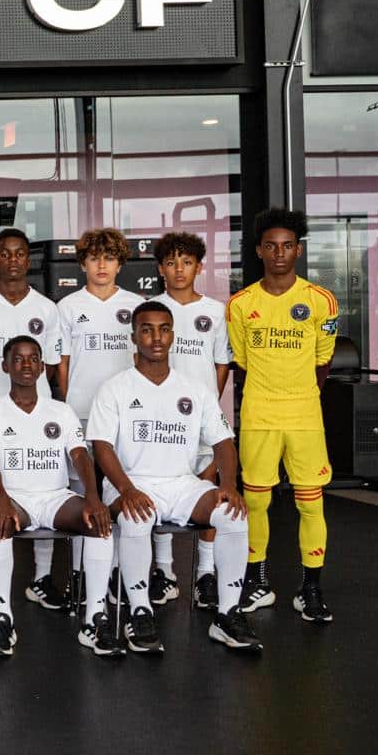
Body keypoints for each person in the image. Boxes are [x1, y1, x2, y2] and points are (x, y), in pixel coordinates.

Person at [87, 302, 261, 653]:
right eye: (147, 329)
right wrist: (126, 489)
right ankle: (140, 611)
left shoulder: (195, 389)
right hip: (132, 481)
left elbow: (224, 443)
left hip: (181, 483)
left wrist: (227, 485)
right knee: (136, 519)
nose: (156, 337)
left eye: (164, 329)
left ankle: (227, 612)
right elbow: (101, 446)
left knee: (232, 514)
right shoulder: (115, 388)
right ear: (133, 336)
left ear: (172, 335)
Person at [228, 208, 339, 623]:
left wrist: (299, 396)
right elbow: (241, 362)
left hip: (305, 415)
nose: (279, 253)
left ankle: (311, 588)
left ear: (298, 250)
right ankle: (257, 583)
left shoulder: (321, 301)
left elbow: (323, 362)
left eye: (287, 246)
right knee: (255, 503)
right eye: (271, 246)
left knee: (311, 505)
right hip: (258, 413)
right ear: (259, 251)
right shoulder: (241, 305)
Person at [0, 336, 117, 657]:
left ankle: (95, 618)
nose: (26, 365)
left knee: (98, 523)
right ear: (5, 366)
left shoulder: (61, 411)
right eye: (18, 359)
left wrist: (93, 496)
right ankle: (2, 616)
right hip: (12, 498)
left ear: (42, 366)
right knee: (0, 525)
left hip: (53, 497)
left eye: (33, 359)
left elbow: (81, 456)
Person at [0, 227, 67, 611]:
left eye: (20, 254)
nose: (13, 261)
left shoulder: (46, 308)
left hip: (38, 416)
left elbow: (57, 366)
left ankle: (41, 579)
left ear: (29, 260)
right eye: (5, 254)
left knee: (45, 489)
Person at [55, 228, 142, 611]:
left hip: (125, 416)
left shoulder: (137, 305)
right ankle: (79, 573)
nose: (101, 265)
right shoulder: (69, 307)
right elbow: (63, 365)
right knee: (81, 496)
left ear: (120, 262)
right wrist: (68, 405)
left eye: (109, 258)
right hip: (82, 412)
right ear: (83, 264)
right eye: (94, 258)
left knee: (121, 493)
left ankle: (117, 573)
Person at [153, 230, 234, 611]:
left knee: (210, 494)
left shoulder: (216, 312)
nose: (179, 269)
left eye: (186, 262)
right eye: (171, 263)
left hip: (199, 422)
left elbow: (221, 365)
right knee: (161, 490)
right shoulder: (150, 308)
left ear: (199, 267)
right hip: (160, 422)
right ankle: (164, 572)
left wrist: (206, 408)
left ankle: (205, 573)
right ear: (161, 269)